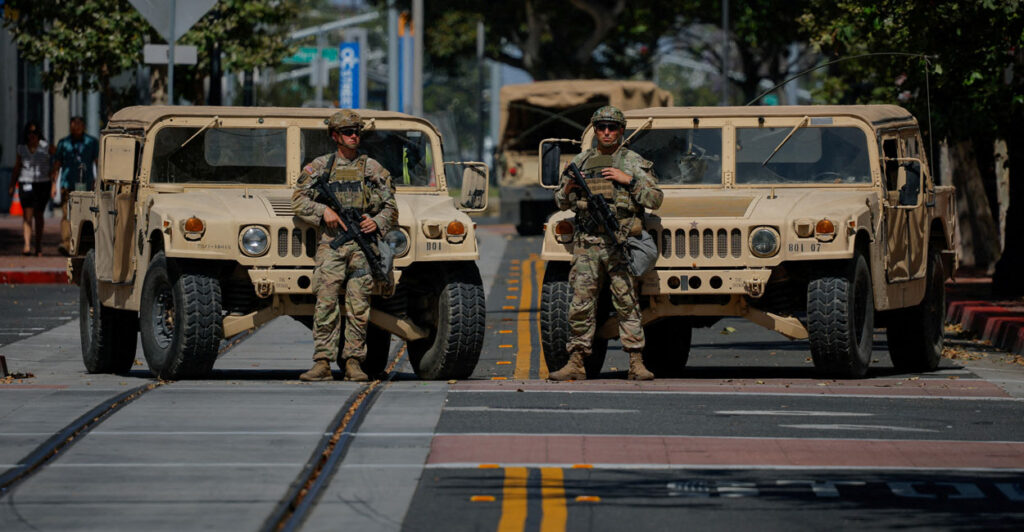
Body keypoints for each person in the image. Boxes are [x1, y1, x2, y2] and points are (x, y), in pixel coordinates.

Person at [548, 106, 664, 381]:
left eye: (612, 127)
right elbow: (560, 201)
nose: (607, 132)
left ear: (621, 131)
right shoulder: (582, 161)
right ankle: (576, 362)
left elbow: (655, 199)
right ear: (596, 130)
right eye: (602, 127)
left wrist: (629, 181)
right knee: (580, 303)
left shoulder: (633, 162)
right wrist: (569, 188)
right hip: (587, 243)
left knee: (626, 302)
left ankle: (636, 362)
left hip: (619, 241)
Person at [292, 110, 398, 382]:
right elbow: (298, 200)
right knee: (325, 303)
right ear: (335, 136)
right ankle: (322, 362)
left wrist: (376, 222)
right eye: (348, 132)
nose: (354, 136)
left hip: (363, 248)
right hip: (332, 245)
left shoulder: (371, 168)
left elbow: (391, 207)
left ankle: (353, 361)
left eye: (357, 132)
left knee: (359, 307)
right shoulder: (320, 167)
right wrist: (321, 212)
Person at [53, 116, 99, 256]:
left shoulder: (91, 142)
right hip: (68, 184)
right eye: (73, 126)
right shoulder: (63, 143)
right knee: (67, 214)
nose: (76, 128)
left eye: (79, 126)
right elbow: (57, 164)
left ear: (83, 127)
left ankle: (81, 243)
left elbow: (98, 162)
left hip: (86, 185)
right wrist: (53, 185)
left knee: (85, 215)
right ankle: (66, 243)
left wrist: (98, 181)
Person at [8, 122, 54, 256]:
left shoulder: (46, 147)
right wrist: (12, 184)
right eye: (30, 133)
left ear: (39, 134)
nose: (32, 136)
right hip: (26, 183)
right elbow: (17, 168)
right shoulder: (21, 149)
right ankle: (27, 245)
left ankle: (38, 245)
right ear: (26, 135)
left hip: (42, 183)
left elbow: (58, 157)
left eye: (35, 133)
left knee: (39, 215)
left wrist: (53, 174)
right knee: (27, 215)